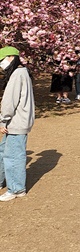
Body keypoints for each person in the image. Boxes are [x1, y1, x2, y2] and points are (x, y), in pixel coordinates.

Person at [0, 47, 34, 201]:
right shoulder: (23, 72)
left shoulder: (16, 74)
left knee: (13, 156)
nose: (1, 65)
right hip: (19, 120)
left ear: (11, 57)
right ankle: (5, 181)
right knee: (5, 151)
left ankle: (16, 189)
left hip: (15, 121)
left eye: (2, 60)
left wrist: (3, 120)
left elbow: (9, 102)